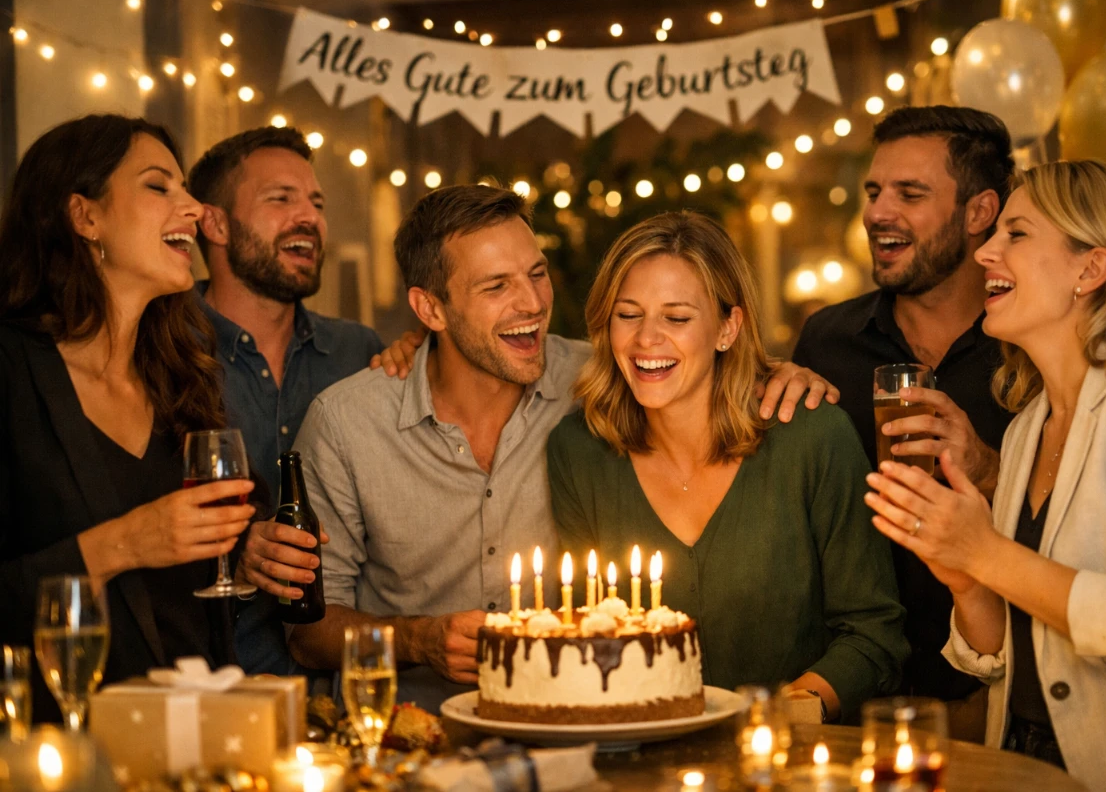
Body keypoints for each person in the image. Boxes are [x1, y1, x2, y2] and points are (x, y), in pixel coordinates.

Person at [287, 185, 827, 712]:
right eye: (496, 286)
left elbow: (684, 358)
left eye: (537, 273)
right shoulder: (346, 424)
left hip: (563, 731)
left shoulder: (598, 378)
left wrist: (774, 374)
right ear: (431, 309)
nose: (533, 303)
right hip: (407, 737)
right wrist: (416, 641)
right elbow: (307, 633)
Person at [865, 161, 1106, 790]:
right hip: (1030, 769)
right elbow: (1010, 656)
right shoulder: (1028, 425)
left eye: (1017, 234)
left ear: (1090, 269)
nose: (986, 252)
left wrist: (989, 556)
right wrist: (967, 579)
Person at [549, 211, 908, 718]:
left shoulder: (813, 438)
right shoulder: (579, 450)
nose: (646, 339)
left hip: (790, 762)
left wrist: (776, 718)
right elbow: (583, 631)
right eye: (628, 315)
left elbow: (873, 634)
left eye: (676, 318)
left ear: (727, 327)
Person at [0, 115, 255, 723]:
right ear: (84, 217)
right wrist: (123, 544)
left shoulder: (182, 374)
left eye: (186, 188)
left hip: (195, 734)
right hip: (52, 750)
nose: (192, 207)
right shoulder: (9, 370)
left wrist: (253, 546)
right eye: (158, 186)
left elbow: (209, 544)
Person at [791, 106, 1016, 718]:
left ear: (980, 212)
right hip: (853, 695)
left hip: (1000, 692)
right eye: (873, 191)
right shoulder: (826, 341)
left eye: (909, 193)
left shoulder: (1027, 347)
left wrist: (990, 467)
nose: (877, 212)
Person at [185, 126, 387, 675]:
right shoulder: (164, 350)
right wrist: (235, 550)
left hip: (343, 691)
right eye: (281, 199)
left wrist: (425, 351)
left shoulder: (361, 352)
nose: (310, 218)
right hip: (215, 690)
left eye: (316, 203)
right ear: (216, 222)